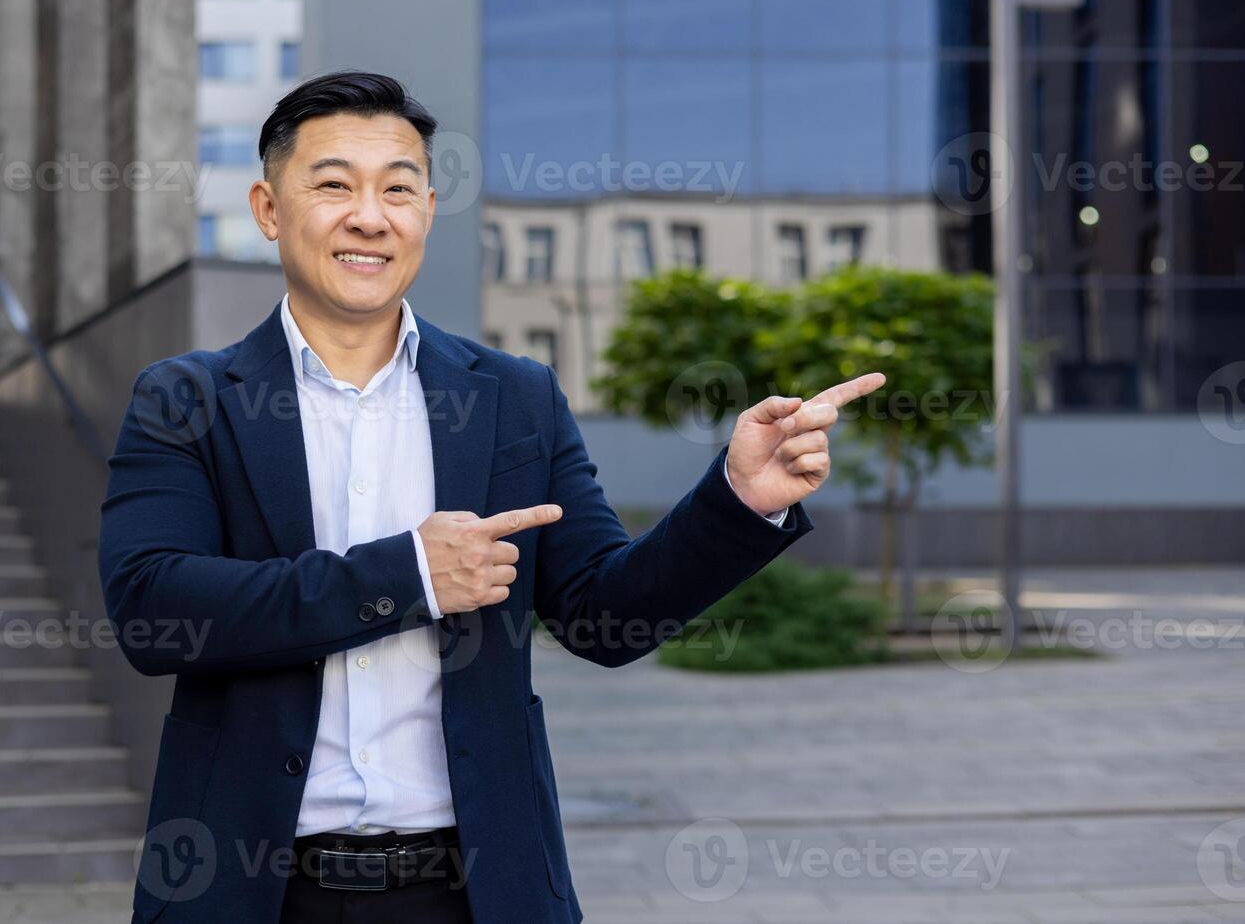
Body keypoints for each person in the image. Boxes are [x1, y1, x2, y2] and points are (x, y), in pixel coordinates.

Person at [97, 70, 884, 924]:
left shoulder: (514, 397)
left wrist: (737, 498)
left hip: (475, 895)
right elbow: (151, 607)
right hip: (248, 893)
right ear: (267, 208)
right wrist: (411, 576)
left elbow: (602, 617)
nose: (370, 217)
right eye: (333, 186)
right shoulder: (187, 398)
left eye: (398, 189)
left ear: (428, 211)